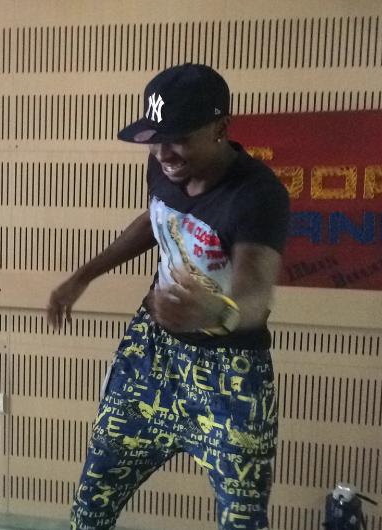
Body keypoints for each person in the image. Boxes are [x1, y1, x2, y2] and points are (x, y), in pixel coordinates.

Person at [47, 64, 289, 530]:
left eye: (178, 139)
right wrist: (85, 274)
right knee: (92, 503)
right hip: (151, 355)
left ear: (220, 128)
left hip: (229, 375)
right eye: (156, 140)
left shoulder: (257, 195)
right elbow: (157, 218)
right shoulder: (165, 166)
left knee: (242, 519)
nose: (164, 154)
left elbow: (256, 292)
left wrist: (215, 311)